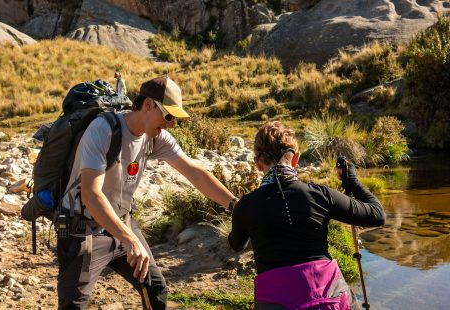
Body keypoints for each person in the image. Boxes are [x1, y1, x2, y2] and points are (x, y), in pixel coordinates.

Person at [58, 76, 238, 309]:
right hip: (82, 229)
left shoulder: (155, 137)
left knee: (155, 291)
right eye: (169, 116)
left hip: (122, 224)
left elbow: (195, 172)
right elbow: (91, 195)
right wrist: (130, 239)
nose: (171, 124)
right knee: (73, 305)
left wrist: (237, 205)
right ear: (149, 105)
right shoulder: (102, 130)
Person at [228, 121, 386, 310]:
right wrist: (352, 182)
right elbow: (377, 215)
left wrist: (238, 212)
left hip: (274, 302)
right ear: (296, 159)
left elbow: (236, 244)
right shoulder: (320, 195)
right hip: (330, 298)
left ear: (257, 163)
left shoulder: (246, 206)